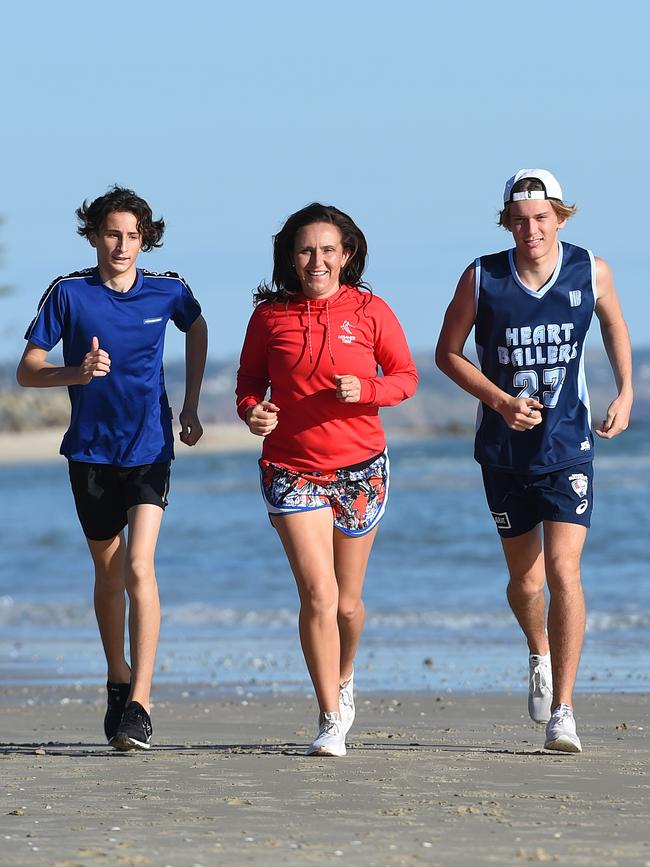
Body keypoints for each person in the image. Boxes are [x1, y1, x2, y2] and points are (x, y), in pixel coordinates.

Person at [435, 169, 633, 752]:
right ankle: (539, 654)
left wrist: (625, 391)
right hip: (502, 450)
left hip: (569, 443)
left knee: (564, 570)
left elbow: (615, 323)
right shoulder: (481, 276)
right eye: (520, 221)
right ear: (507, 222)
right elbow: (448, 354)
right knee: (525, 578)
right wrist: (498, 400)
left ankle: (564, 711)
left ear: (561, 218)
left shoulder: (590, 268)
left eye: (542, 218)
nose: (531, 230)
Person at [16, 186, 208, 751]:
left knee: (140, 568)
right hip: (89, 454)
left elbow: (196, 328)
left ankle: (141, 705)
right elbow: (28, 370)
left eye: (132, 235)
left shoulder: (168, 289)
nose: (121, 245)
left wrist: (191, 404)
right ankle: (118, 679)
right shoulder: (68, 293)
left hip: (149, 449)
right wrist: (74, 372)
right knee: (109, 573)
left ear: (145, 239)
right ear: (94, 235)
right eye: (111, 234)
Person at [236, 203, 418, 756]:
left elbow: (406, 378)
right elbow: (248, 386)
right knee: (318, 594)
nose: (316, 260)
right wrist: (253, 412)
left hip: (361, 468)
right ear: (291, 257)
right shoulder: (269, 318)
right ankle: (329, 717)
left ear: (347, 255)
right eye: (305, 250)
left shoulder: (370, 310)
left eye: (327, 250)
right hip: (292, 469)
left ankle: (344, 674)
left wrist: (368, 391)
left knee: (346, 604)